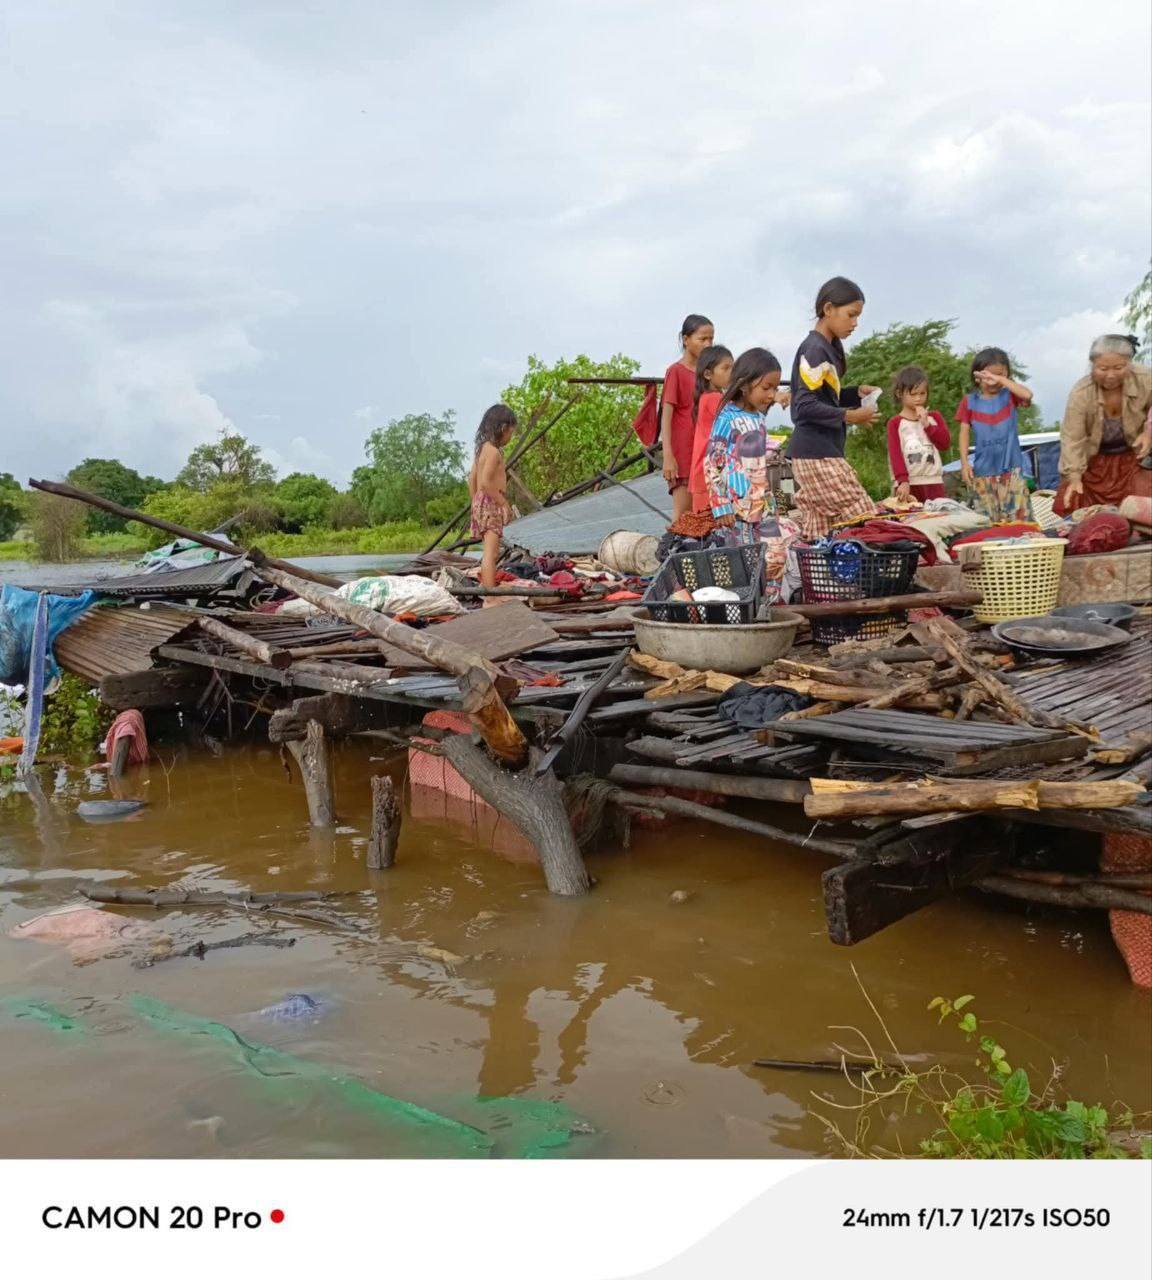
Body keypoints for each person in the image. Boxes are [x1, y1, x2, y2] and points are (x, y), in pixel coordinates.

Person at [786, 277, 882, 538]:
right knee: (863, 515)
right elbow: (804, 405)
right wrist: (850, 416)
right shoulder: (814, 350)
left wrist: (854, 394)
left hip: (816, 451)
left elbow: (823, 398)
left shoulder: (826, 349)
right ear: (828, 309)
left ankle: (810, 566)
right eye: (851, 315)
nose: (855, 323)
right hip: (817, 453)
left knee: (820, 534)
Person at [1054, 334, 1152, 515]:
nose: (1111, 375)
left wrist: (1148, 432)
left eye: (1119, 368)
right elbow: (1072, 438)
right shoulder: (1080, 393)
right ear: (1092, 365)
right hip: (1094, 462)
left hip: (1135, 458)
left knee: (1143, 505)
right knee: (1073, 500)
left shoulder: (1145, 379)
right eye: (1103, 368)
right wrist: (1074, 476)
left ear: (1129, 363)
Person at [704, 347, 784, 544]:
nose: (771, 395)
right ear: (744, 385)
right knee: (745, 556)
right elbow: (712, 463)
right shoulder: (727, 418)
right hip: (737, 509)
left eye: (775, 389)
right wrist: (720, 504)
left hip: (763, 504)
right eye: (766, 388)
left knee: (774, 553)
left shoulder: (759, 418)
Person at [955, 348, 1035, 523]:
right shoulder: (969, 401)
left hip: (1012, 470)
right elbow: (964, 432)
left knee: (1019, 520)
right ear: (977, 376)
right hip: (983, 472)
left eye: (999, 374)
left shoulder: (1010, 396)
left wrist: (1001, 379)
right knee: (986, 522)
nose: (992, 380)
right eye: (987, 375)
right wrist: (964, 463)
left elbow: (1028, 395)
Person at [661, 314, 715, 520]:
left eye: (711, 339)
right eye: (702, 339)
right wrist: (668, 456)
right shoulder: (675, 372)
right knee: (683, 516)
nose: (708, 344)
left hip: (705, 451)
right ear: (686, 340)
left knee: (705, 515)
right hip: (683, 452)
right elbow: (666, 417)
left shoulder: (708, 375)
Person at [468, 404, 517, 594]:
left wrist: (475, 504)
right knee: (491, 553)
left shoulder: (481, 450)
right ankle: (489, 593)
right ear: (503, 428)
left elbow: (472, 479)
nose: (510, 438)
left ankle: (489, 586)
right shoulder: (494, 452)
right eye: (511, 432)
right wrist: (503, 503)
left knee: (492, 550)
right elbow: (486, 482)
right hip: (491, 501)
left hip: (481, 501)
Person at [886, 364, 951, 502]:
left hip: (934, 481)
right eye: (913, 394)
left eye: (922, 393)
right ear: (899, 394)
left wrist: (927, 425)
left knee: (937, 514)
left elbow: (944, 444)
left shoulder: (934, 417)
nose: (918, 398)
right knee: (910, 514)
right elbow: (895, 454)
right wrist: (902, 480)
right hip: (908, 484)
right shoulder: (895, 423)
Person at [688, 344, 734, 514]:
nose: (732, 372)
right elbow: (737, 420)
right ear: (708, 374)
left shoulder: (707, 397)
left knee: (705, 525)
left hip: (705, 474)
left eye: (733, 368)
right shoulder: (715, 398)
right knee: (711, 524)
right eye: (726, 368)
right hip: (710, 476)